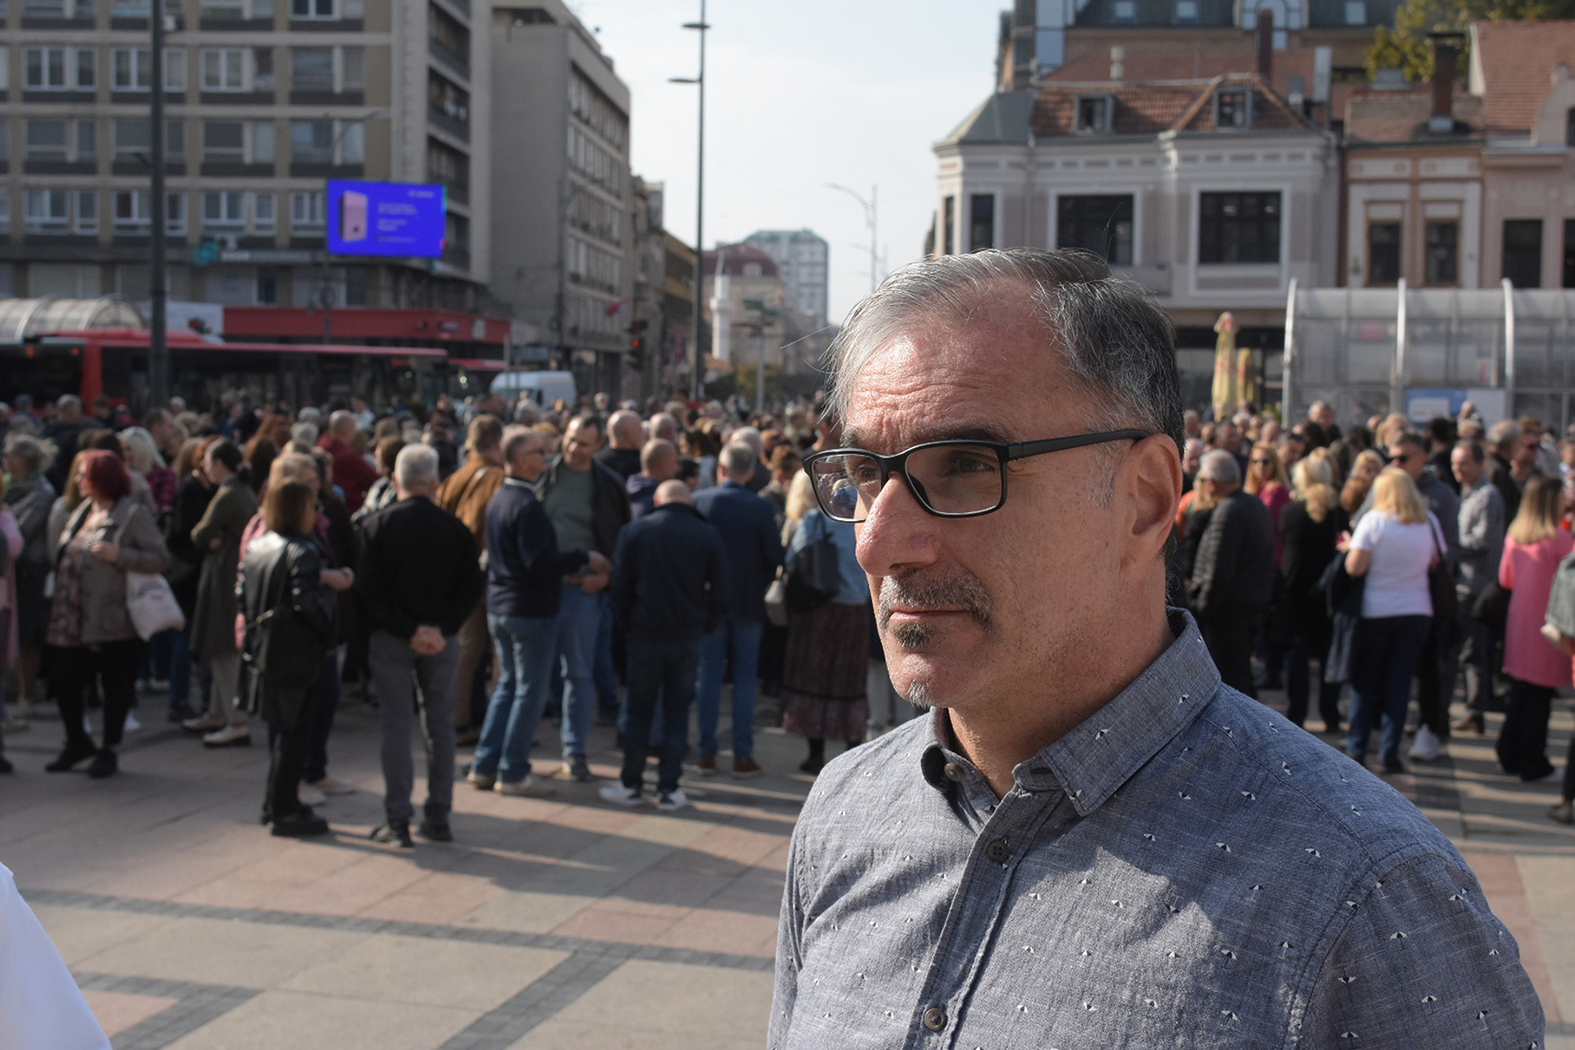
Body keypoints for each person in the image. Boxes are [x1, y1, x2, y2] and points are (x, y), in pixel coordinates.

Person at [771, 248, 1541, 1048]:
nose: (879, 543)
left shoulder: (1367, 897)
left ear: (1142, 499)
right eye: (862, 475)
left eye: (965, 467)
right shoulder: (844, 812)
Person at [356, 444, 485, 847]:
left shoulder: (376, 526)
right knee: (440, 725)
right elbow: (470, 587)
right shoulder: (455, 529)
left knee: (397, 725)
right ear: (434, 483)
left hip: (394, 637)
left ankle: (397, 821)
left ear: (395, 480)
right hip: (440, 638)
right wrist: (439, 627)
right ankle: (438, 815)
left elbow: (368, 591)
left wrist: (410, 628)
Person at [469, 427, 609, 798]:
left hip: (504, 606)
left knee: (510, 687)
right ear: (518, 459)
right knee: (528, 690)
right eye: (535, 451)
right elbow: (538, 562)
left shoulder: (505, 498)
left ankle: (485, 764)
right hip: (527, 608)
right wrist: (581, 557)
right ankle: (512, 770)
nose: (544, 455)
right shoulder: (525, 504)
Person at [42, 450, 170, 778]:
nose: (77, 480)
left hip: (111, 614)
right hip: (70, 615)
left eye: (83, 474)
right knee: (64, 678)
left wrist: (121, 555)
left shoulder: (131, 514)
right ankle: (77, 741)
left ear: (101, 479)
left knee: (115, 683)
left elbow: (159, 557)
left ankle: (109, 748)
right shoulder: (81, 511)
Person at [603, 480, 728, 811]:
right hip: (686, 637)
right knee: (676, 714)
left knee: (638, 712)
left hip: (645, 634)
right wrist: (704, 624)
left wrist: (628, 625)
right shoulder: (706, 534)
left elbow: (619, 588)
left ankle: (631, 782)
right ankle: (669, 787)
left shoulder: (637, 530)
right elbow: (720, 590)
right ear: (688, 501)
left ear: (658, 500)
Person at [238, 479, 337, 836]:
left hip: (267, 650)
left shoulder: (258, 546)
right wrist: (329, 631)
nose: (316, 513)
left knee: (286, 733)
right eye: (312, 506)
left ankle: (277, 804)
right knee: (295, 735)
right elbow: (307, 602)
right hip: (297, 653)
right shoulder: (302, 550)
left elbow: (242, 594)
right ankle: (283, 809)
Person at [535, 414, 627, 781]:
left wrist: (606, 577)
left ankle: (574, 750)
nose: (573, 449)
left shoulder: (607, 484)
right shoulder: (545, 476)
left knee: (578, 671)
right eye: (570, 440)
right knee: (531, 676)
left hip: (582, 591)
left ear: (598, 446)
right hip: (540, 587)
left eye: (583, 444)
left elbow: (621, 537)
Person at [692, 442, 784, 777]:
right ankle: (743, 754)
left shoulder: (700, 502)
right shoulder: (759, 508)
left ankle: (706, 752)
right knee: (745, 678)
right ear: (750, 471)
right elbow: (775, 555)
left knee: (710, 675)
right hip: (747, 601)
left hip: (708, 602)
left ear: (721, 469)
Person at [1341, 470, 1442, 774]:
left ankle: (1357, 747)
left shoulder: (1374, 521)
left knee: (1366, 682)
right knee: (1400, 684)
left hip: (1377, 609)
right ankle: (1390, 751)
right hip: (1417, 610)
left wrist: (1349, 549)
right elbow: (1435, 563)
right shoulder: (1429, 523)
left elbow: (1354, 568)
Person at [779, 467, 870, 776]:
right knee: (850, 683)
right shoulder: (866, 518)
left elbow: (795, 560)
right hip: (856, 611)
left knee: (815, 680)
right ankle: (853, 752)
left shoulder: (816, 520)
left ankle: (815, 755)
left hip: (820, 611)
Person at [1494, 474, 1573, 781]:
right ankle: (1532, 761)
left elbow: (1505, 580)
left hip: (1520, 622)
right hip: (1547, 624)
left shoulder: (1516, 535)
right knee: (1538, 701)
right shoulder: (1562, 541)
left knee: (1522, 694)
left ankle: (1509, 753)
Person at [433, 415, 506, 743]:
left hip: (457, 575)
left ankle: (458, 718)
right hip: (491, 573)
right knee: (500, 653)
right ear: (497, 444)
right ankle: (500, 722)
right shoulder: (499, 479)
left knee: (467, 649)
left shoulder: (453, 479)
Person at [185, 440, 257, 746]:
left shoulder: (227, 494)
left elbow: (199, 532)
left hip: (225, 577)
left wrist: (211, 537)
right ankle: (218, 712)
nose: (204, 468)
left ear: (220, 465)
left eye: (209, 462)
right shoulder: (243, 490)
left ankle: (235, 720)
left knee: (223, 648)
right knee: (222, 648)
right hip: (235, 574)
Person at [1187, 450, 1276, 696]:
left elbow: (1218, 568)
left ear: (1212, 483)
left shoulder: (1230, 511)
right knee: (1241, 677)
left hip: (1229, 613)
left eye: (1203, 480)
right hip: (1249, 606)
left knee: (1231, 683)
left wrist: (1203, 608)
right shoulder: (1253, 504)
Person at [1279, 456, 1347, 730]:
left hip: (1298, 591)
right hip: (1330, 593)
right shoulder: (1339, 512)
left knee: (1298, 654)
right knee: (1329, 654)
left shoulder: (1293, 512)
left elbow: (1289, 556)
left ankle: (1297, 713)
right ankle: (1330, 714)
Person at [1451, 439, 1507, 735]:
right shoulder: (1469, 493)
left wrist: (1450, 547)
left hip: (1477, 587)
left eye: (1464, 463)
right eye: (1454, 464)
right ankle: (1475, 710)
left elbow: (1484, 540)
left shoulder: (1487, 496)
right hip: (1467, 584)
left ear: (1479, 464)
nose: (1458, 469)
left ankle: (1476, 709)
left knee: (1470, 650)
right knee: (1472, 652)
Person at [2, 434, 56, 719]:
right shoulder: (8, 488)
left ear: (22, 460)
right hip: (9, 571)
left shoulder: (42, 492)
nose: (4, 460)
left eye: (8, 454)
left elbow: (22, 533)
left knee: (28, 634)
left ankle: (27, 692)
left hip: (30, 570)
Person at [317, 410, 378, 512]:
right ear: (347, 430)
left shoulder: (321, 444)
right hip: (350, 508)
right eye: (354, 428)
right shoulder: (347, 455)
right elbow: (374, 480)